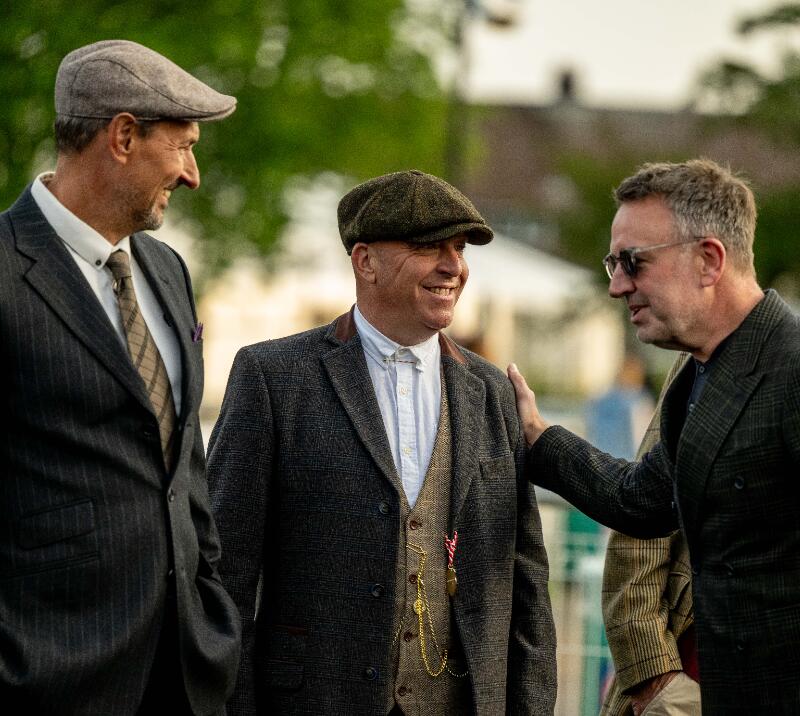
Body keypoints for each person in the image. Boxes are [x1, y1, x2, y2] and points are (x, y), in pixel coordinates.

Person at [208, 170, 557, 716]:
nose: (453, 266)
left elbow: (526, 578)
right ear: (364, 261)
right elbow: (223, 573)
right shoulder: (273, 377)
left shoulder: (491, 391)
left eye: (459, 249)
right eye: (428, 247)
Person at [507, 158, 800, 715]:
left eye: (633, 263)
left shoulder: (789, 368)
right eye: (613, 263)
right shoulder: (700, 371)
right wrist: (537, 436)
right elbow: (643, 500)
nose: (617, 287)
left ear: (709, 259)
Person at [0, 40, 240, 714]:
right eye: (184, 145)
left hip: (185, 676)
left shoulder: (168, 272)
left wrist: (212, 619)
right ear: (125, 136)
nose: (192, 173)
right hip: (47, 681)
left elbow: (183, 469)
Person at [600, 354, 700, 716]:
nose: (621, 292)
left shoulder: (607, 401)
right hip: (683, 678)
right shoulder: (699, 363)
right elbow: (643, 500)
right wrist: (651, 674)